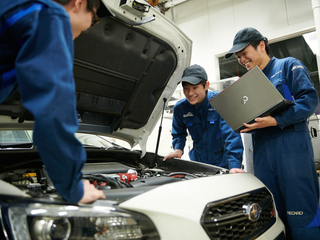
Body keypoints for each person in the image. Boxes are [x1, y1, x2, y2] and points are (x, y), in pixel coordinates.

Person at [0, 0, 106, 203]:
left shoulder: (19, 8)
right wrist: (74, 188)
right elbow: (54, 110)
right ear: (79, 3)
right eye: (94, 17)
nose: (90, 26)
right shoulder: (49, 14)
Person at [225, 27, 320, 239]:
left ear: (261, 45)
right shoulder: (247, 84)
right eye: (238, 57)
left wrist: (276, 120)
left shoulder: (288, 66)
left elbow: (310, 101)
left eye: (244, 52)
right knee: (271, 219)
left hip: (292, 153)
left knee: (303, 216)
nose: (242, 59)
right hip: (262, 156)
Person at [163, 64, 244, 173]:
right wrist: (178, 149)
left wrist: (234, 165)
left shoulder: (220, 101)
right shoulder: (180, 108)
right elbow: (178, 133)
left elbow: (231, 136)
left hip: (223, 163)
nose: (190, 93)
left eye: (195, 88)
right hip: (198, 164)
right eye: (186, 89)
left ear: (206, 85)